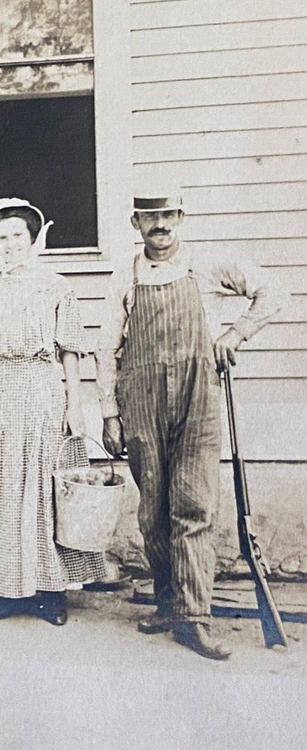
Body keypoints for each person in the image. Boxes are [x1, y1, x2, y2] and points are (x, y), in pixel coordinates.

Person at [96, 183, 287, 659]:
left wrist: (236, 333)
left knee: (194, 505)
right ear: (135, 224)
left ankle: (195, 618)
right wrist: (108, 413)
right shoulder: (125, 277)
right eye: (149, 218)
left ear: (180, 217)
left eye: (168, 216)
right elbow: (106, 349)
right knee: (152, 512)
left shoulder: (208, 266)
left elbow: (274, 291)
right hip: (139, 402)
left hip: (197, 399)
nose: (160, 225)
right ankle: (168, 605)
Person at [0, 198, 106, 625]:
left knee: (44, 487)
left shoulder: (56, 286)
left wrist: (76, 405)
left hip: (43, 387)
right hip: (0, 389)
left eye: (18, 236)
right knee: (2, 487)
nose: (10, 245)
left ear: (33, 238)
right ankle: (4, 590)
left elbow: (70, 352)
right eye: (2, 237)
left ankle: (49, 590)